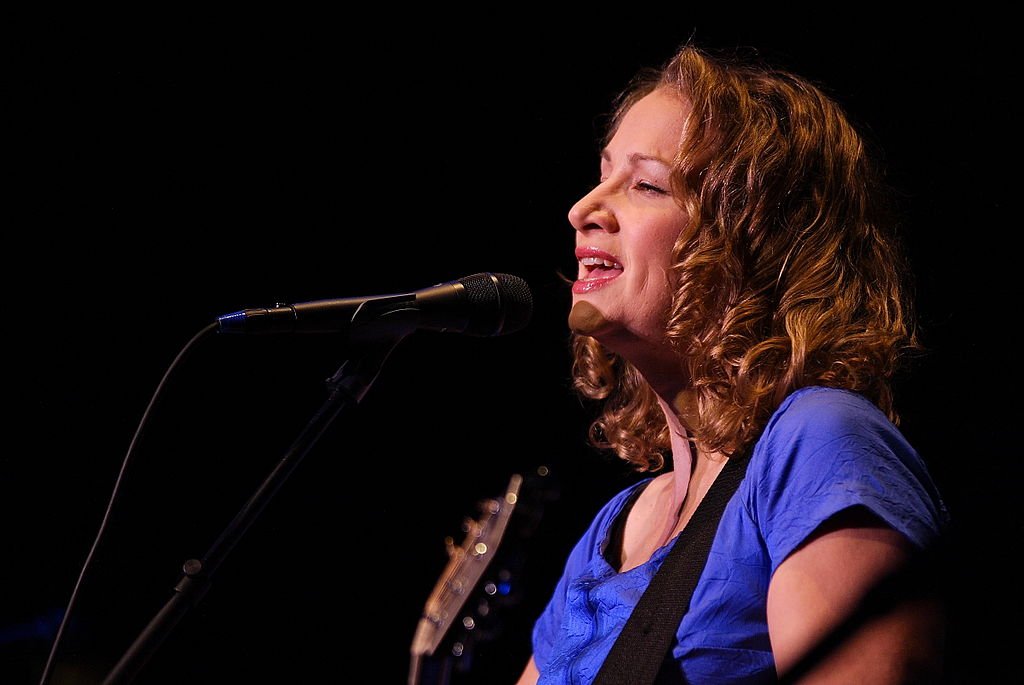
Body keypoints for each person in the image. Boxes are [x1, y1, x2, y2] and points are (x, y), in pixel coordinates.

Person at [515, 42, 950, 684]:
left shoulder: (819, 443)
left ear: (750, 237)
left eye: (645, 184)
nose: (582, 210)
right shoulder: (618, 528)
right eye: (601, 173)